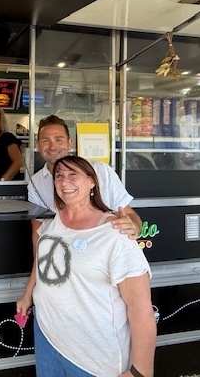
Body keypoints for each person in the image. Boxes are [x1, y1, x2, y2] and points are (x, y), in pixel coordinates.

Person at [17, 155, 156, 377]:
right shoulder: (52, 220)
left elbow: (140, 307)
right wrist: (28, 294)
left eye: (73, 175)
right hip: (47, 336)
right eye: (59, 176)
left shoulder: (115, 233)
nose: (65, 181)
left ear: (92, 181)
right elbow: (43, 262)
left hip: (93, 356)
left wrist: (141, 371)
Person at [28, 115, 142, 237]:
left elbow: (130, 216)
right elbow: (38, 230)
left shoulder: (100, 170)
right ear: (38, 145)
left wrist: (133, 226)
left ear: (69, 143)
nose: (52, 147)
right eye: (46, 141)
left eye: (59, 140)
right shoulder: (36, 183)